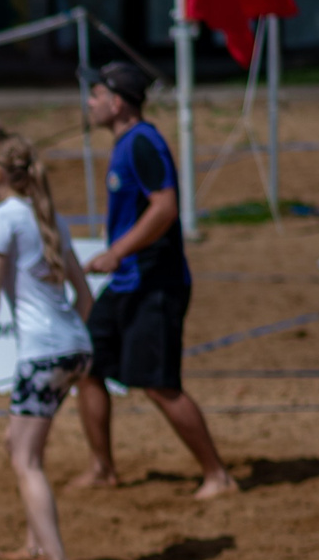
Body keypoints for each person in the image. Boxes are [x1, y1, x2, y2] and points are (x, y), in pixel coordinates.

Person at [73, 62, 237, 498]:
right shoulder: (127, 143)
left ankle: (217, 475)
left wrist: (115, 252)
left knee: (159, 385)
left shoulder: (144, 143)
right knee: (88, 368)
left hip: (155, 283)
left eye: (95, 95)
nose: (88, 103)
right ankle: (103, 468)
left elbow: (165, 209)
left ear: (118, 101)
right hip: (127, 282)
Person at [0, 136, 93, 560]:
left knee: (25, 459)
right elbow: (84, 297)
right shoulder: (46, 214)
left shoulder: (1, 219)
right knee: (18, 443)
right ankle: (36, 546)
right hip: (74, 344)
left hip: (45, 351)